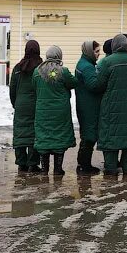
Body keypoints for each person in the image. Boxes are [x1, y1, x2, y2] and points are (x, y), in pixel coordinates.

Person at [88, 34, 127, 175]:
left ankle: (111, 170)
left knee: (110, 139)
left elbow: (99, 84)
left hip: (110, 107)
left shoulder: (107, 62)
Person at [33, 46, 78, 175]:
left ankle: (44, 169)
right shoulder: (62, 72)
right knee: (59, 136)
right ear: (59, 56)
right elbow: (74, 82)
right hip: (60, 112)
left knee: (43, 137)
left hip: (42, 111)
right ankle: (58, 169)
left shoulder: (37, 72)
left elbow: (33, 86)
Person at [10, 41, 43, 172]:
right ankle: (33, 163)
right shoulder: (41, 68)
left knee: (20, 134)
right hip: (36, 104)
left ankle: (21, 163)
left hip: (20, 104)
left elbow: (12, 88)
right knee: (34, 134)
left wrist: (15, 103)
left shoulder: (18, 68)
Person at [74, 40, 101, 175]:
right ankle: (85, 165)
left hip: (85, 104)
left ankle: (83, 163)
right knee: (89, 136)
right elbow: (94, 85)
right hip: (89, 106)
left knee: (86, 135)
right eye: (96, 52)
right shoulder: (87, 67)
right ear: (90, 51)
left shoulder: (83, 63)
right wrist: (104, 81)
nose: (98, 54)